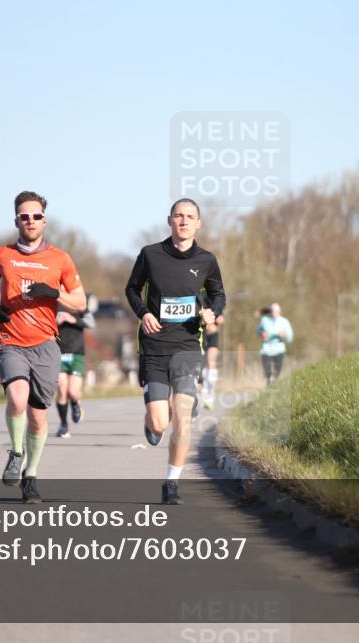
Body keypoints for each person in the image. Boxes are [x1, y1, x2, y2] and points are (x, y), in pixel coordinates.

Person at [0, 191, 86, 504]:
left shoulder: (60, 259)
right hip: (11, 340)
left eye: (36, 216)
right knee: (16, 398)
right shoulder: (1, 255)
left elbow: (79, 301)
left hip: (45, 344)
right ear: (16, 220)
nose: (30, 221)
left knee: (39, 418)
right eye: (24, 216)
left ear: (44, 220)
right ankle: (16, 452)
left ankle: (31, 475)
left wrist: (53, 293)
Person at [125, 198, 226, 505]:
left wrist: (212, 312)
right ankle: (151, 421)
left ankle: (171, 483)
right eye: (179, 216)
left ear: (199, 224)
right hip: (154, 349)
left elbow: (219, 294)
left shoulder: (206, 260)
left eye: (190, 216)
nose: (184, 221)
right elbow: (131, 288)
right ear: (169, 220)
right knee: (159, 423)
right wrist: (144, 313)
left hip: (187, 347)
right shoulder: (150, 254)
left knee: (182, 417)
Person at [54, 293, 97, 438]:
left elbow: (91, 323)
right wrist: (56, 321)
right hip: (58, 352)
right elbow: (44, 323)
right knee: (62, 389)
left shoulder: (79, 303)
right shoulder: (54, 302)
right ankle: (63, 425)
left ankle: (75, 404)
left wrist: (73, 319)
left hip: (76, 354)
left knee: (72, 392)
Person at [257, 302, 293, 385]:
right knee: (267, 373)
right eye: (273, 311)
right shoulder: (264, 320)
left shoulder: (284, 321)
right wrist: (262, 333)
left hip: (278, 349)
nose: (274, 313)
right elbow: (258, 331)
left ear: (279, 312)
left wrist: (284, 335)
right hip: (266, 349)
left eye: (276, 311)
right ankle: (268, 386)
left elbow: (290, 337)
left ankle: (274, 387)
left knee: (276, 373)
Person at [200, 292, 225, 410]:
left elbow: (220, 316)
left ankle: (210, 394)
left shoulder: (214, 292)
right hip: (200, 334)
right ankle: (204, 392)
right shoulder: (195, 292)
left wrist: (218, 317)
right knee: (201, 366)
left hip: (212, 334)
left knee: (211, 363)